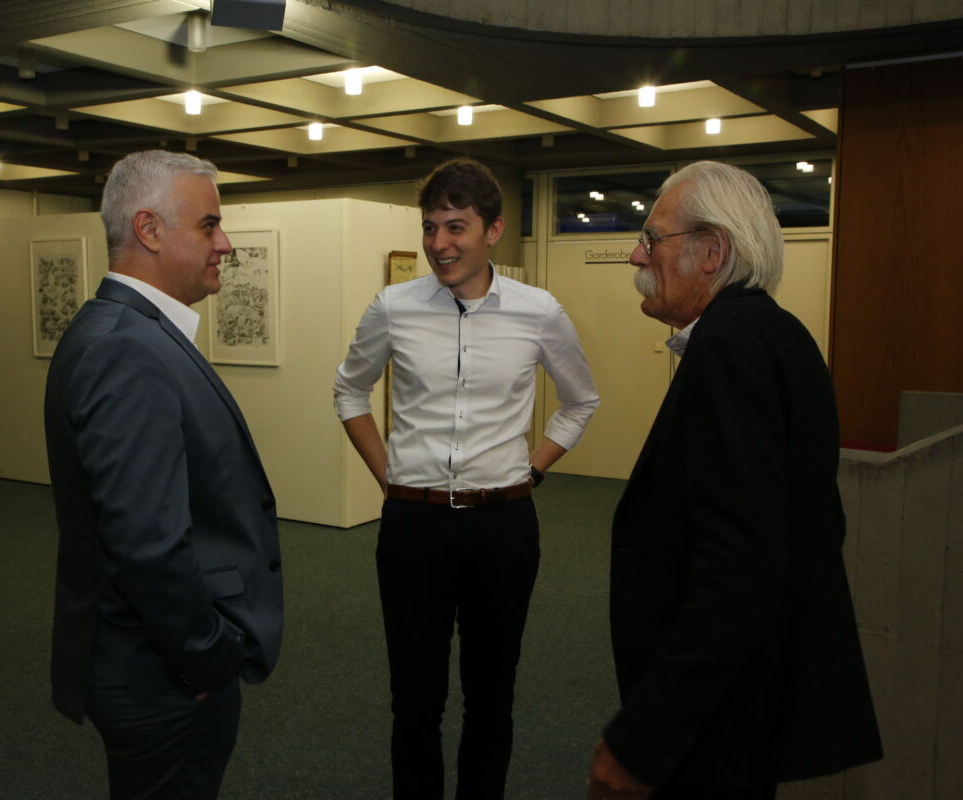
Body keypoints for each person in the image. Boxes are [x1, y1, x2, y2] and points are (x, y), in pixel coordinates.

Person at [587, 160, 882, 800]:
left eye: (653, 237)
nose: (637, 254)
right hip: (746, 702)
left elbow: (741, 568)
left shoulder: (732, 348)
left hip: (718, 721)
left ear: (712, 252)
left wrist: (644, 738)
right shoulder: (776, 334)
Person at [334, 157, 599, 799]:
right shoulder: (393, 307)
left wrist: (532, 470)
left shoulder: (538, 312)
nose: (439, 245)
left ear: (493, 231)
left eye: (456, 227)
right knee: (414, 702)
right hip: (413, 527)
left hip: (502, 528)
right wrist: (389, 476)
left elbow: (580, 400)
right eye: (430, 228)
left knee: (492, 696)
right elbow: (349, 391)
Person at [44, 150, 283, 800]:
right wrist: (205, 657)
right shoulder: (127, 346)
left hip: (147, 660)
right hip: (159, 673)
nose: (225, 244)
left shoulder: (130, 332)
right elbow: (147, 542)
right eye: (209, 225)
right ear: (149, 230)